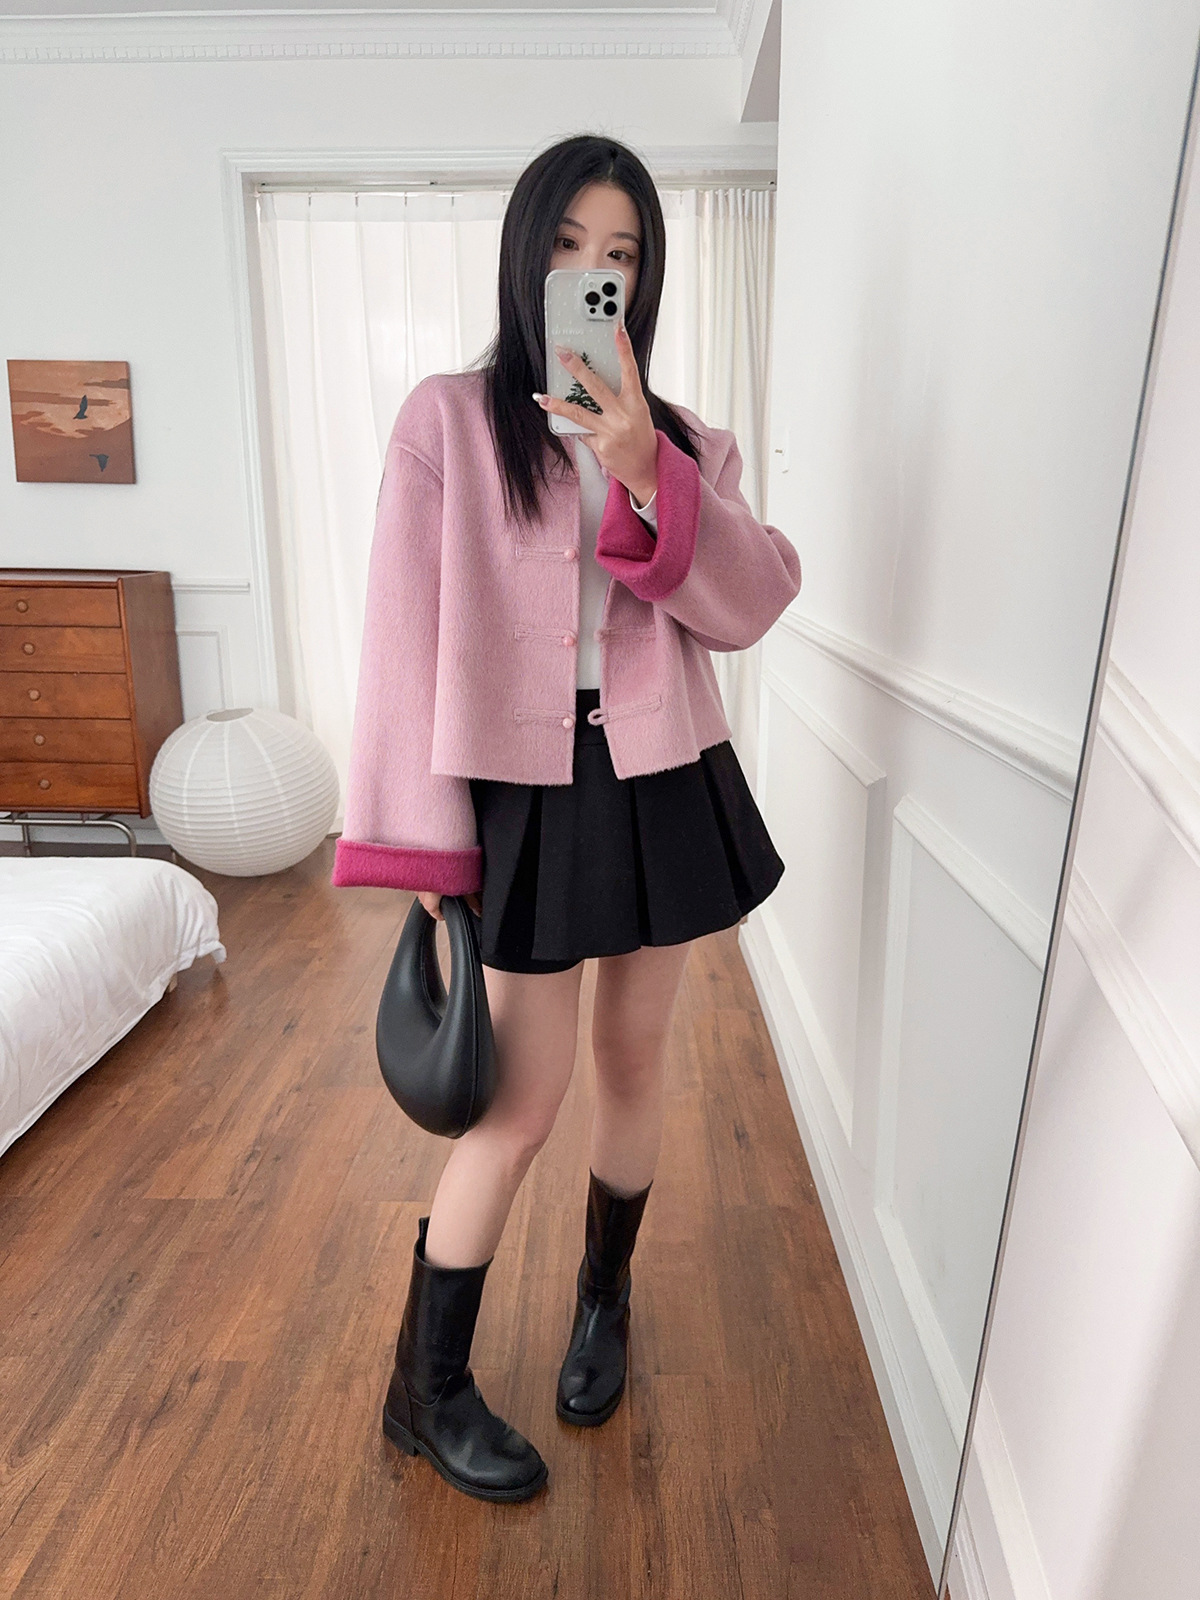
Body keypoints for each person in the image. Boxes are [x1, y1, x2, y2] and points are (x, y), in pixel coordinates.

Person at [331, 132, 802, 1503]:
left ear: (644, 281)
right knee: (518, 1106)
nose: (597, 272)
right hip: (525, 794)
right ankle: (424, 1389)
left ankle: (605, 1304)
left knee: (637, 1064)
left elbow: (753, 602)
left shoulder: (683, 437)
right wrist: (430, 842)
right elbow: (401, 643)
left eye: (623, 254)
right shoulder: (446, 421)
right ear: (525, 254)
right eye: (569, 245)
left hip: (659, 776)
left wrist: (647, 464)